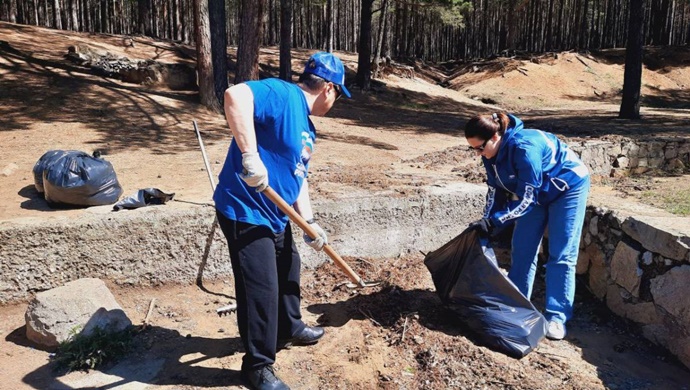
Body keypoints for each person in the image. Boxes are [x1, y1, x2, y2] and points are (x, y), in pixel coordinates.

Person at [213, 52, 351, 390]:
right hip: (244, 210)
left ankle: (289, 327)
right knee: (260, 289)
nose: (335, 104)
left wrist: (310, 221)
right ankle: (257, 366)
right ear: (328, 89)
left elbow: (298, 176)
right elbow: (235, 96)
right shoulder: (282, 94)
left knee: (289, 265)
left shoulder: (307, 127)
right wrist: (249, 156)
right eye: (338, 97)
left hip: (275, 214)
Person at [464, 112, 590, 341]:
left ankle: (557, 316)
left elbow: (527, 199)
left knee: (561, 254)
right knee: (522, 248)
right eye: (473, 149)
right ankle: (518, 303)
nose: (478, 154)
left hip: (567, 187)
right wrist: (487, 220)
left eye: (480, 148)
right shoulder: (489, 153)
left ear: (494, 137)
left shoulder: (524, 149)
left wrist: (499, 220)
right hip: (538, 192)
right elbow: (496, 191)